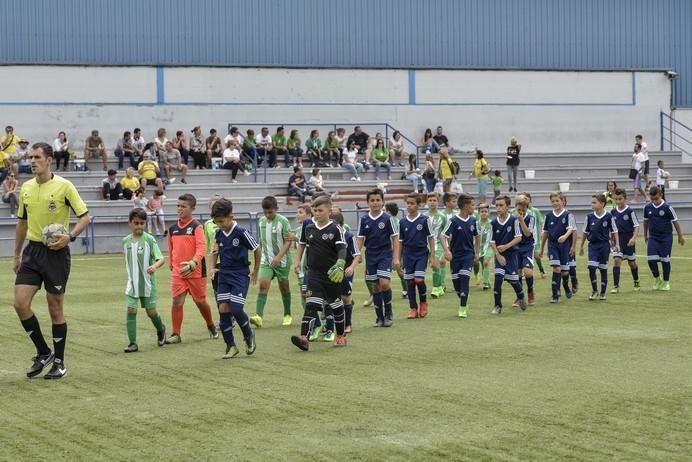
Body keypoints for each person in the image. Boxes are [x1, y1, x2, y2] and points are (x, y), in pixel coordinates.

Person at [13, 142, 90, 379]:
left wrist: (70, 237)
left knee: (55, 309)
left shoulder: (64, 186)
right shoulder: (25, 188)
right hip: (32, 252)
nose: (32, 161)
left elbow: (85, 217)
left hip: (56, 253)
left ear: (49, 160)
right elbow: (22, 223)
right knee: (20, 303)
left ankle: (59, 361)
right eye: (30, 157)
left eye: (37, 157)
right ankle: (43, 351)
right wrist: (16, 254)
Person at [291, 195, 349, 350]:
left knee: (336, 306)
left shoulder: (335, 228)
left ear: (329, 211)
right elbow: (302, 245)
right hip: (314, 273)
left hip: (331, 274)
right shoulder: (308, 227)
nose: (317, 213)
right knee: (311, 304)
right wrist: (297, 261)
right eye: (315, 210)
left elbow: (342, 248)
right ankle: (304, 337)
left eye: (320, 210)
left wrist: (340, 263)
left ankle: (340, 335)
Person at [165, 194, 218, 343]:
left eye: (183, 206)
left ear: (192, 208)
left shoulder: (197, 226)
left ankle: (211, 326)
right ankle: (176, 334)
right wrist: (172, 264)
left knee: (200, 302)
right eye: (178, 206)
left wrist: (194, 262)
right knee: (177, 302)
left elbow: (202, 247)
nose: (180, 209)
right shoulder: (172, 229)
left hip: (195, 272)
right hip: (178, 272)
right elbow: (171, 249)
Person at [209, 198, 259, 358]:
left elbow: (257, 249)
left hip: (240, 274)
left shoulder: (241, 232)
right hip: (223, 274)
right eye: (217, 222)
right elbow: (214, 252)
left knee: (236, 309)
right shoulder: (218, 234)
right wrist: (211, 268)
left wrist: (255, 270)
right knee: (223, 310)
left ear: (231, 216)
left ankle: (248, 335)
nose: (220, 225)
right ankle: (231, 346)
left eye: (222, 221)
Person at [122, 208, 167, 353]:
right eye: (136, 223)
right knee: (131, 310)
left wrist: (154, 266)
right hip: (132, 284)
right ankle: (132, 343)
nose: (139, 226)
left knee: (151, 312)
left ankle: (161, 329)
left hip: (147, 284)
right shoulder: (125, 241)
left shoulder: (149, 239)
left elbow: (161, 259)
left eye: (142, 223)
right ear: (130, 223)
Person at [357, 188, 399, 327]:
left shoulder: (387, 219)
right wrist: (357, 255)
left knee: (384, 283)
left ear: (383, 202)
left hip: (385, 254)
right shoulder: (364, 219)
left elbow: (395, 238)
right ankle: (379, 317)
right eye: (372, 200)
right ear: (368, 202)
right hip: (371, 255)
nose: (375, 203)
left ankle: (389, 314)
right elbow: (360, 239)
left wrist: (396, 257)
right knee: (375, 287)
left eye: (378, 200)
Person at [250, 196, 294, 328]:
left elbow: (288, 240)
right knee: (263, 285)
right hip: (266, 260)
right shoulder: (261, 222)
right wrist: (258, 262)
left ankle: (287, 314)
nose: (268, 215)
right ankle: (258, 316)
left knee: (284, 287)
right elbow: (261, 242)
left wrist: (279, 257)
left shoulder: (283, 221)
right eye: (265, 212)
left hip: (283, 261)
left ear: (276, 209)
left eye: (270, 212)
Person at [396, 193, 435, 319]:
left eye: (412, 203)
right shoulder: (402, 222)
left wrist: (432, 256)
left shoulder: (424, 220)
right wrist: (399, 258)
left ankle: (423, 303)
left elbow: (431, 238)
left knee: (419, 279)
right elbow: (400, 242)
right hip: (408, 255)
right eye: (408, 203)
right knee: (410, 282)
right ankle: (413, 308)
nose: (409, 205)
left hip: (421, 254)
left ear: (418, 205)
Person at [441, 193, 480, 318]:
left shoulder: (473, 220)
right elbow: (443, 236)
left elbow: (477, 236)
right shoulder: (453, 221)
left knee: (464, 279)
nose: (474, 207)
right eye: (472, 205)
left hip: (468, 256)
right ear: (465, 206)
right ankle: (463, 297)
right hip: (455, 257)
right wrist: (447, 250)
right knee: (457, 286)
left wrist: (477, 252)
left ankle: (462, 308)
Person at [489, 195, 527, 314]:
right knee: (498, 278)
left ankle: (521, 296)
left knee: (514, 281)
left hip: (511, 256)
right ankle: (497, 306)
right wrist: (498, 255)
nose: (498, 208)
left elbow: (518, 238)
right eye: (497, 205)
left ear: (508, 206)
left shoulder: (514, 220)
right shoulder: (493, 223)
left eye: (501, 205)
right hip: (499, 257)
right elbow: (492, 241)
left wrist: (505, 246)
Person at [643, 186, 685, 291]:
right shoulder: (647, 208)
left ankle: (666, 282)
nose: (654, 201)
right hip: (653, 237)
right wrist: (645, 235)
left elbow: (675, 222)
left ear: (661, 195)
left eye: (656, 198)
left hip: (666, 238)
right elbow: (645, 222)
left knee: (665, 261)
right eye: (652, 199)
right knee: (651, 260)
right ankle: (657, 279)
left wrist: (680, 236)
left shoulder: (667, 207)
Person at [579, 194, 619, 301]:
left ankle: (602, 292)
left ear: (602, 204)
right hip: (593, 246)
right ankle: (594, 290)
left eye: (594, 202)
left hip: (604, 246)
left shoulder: (609, 217)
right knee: (592, 267)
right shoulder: (589, 217)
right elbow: (585, 232)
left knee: (603, 269)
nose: (592, 204)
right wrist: (582, 246)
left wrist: (617, 244)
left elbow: (614, 231)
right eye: (592, 202)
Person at [539, 191, 577, 303]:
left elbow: (571, 229)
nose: (555, 203)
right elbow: (545, 233)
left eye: (557, 201)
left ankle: (565, 285)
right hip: (553, 245)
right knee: (556, 268)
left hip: (565, 246)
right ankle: (555, 295)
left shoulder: (568, 215)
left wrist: (566, 238)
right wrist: (542, 249)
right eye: (553, 201)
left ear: (563, 201)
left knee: (565, 272)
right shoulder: (548, 216)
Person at [330, 211, 360, 334]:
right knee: (331, 298)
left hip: (346, 270)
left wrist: (351, 267)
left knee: (345, 298)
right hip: (332, 271)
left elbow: (357, 255)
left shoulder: (348, 236)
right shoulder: (328, 236)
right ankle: (329, 325)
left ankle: (348, 325)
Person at [610, 188, 641, 293]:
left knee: (632, 263)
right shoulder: (612, 212)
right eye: (616, 199)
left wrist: (633, 238)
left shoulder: (630, 211)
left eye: (620, 199)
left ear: (625, 199)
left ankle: (636, 280)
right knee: (617, 260)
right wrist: (610, 239)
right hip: (617, 241)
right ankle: (615, 286)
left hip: (628, 241)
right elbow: (611, 228)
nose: (618, 201)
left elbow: (636, 226)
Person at [513, 195, 537, 306]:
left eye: (524, 208)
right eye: (519, 208)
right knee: (517, 273)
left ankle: (530, 291)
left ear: (527, 208)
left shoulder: (531, 218)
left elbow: (527, 233)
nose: (521, 211)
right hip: (516, 247)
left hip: (527, 247)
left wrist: (521, 221)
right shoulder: (512, 218)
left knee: (527, 273)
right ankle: (519, 296)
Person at [386, 202, 408, 299]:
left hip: (391, 249)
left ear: (388, 211)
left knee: (387, 272)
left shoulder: (389, 221)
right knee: (400, 271)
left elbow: (395, 237)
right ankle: (406, 290)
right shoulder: (399, 221)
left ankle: (385, 293)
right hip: (399, 249)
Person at [475, 203, 493, 290]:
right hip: (478, 247)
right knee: (480, 264)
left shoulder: (492, 223)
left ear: (489, 213)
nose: (484, 213)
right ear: (479, 213)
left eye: (486, 211)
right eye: (482, 211)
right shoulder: (476, 224)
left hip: (489, 247)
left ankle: (485, 283)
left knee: (486, 262)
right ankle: (488, 281)